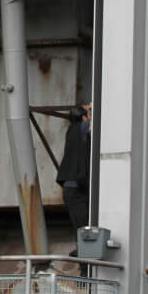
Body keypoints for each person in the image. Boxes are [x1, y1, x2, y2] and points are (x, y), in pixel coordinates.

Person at [56, 103, 93, 245]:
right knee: (85, 231)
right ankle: (85, 266)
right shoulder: (81, 128)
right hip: (76, 189)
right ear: (84, 118)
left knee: (83, 229)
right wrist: (92, 107)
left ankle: (85, 264)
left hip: (73, 188)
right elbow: (93, 123)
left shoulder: (72, 130)